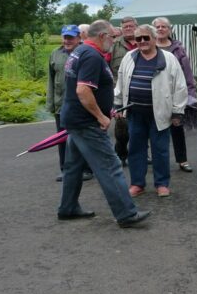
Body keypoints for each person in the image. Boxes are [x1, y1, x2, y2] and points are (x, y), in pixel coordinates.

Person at [57, 20, 150, 228]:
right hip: (86, 122)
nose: (113, 40)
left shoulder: (79, 52)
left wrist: (105, 108)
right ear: (101, 36)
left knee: (73, 166)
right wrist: (101, 116)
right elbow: (83, 90)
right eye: (112, 37)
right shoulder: (91, 56)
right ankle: (126, 214)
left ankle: (68, 208)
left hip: (75, 119)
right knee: (110, 165)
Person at [115, 24, 188, 198]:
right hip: (135, 113)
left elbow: (180, 86)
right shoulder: (129, 57)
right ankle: (137, 183)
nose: (142, 41)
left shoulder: (169, 59)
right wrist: (118, 105)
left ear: (154, 39)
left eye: (146, 38)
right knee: (135, 149)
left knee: (160, 150)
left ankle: (162, 184)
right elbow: (121, 82)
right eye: (138, 38)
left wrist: (178, 111)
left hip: (160, 113)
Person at [47, 24, 93, 182]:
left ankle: (86, 169)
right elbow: (51, 80)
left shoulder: (85, 53)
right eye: (65, 37)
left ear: (79, 38)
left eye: (71, 37)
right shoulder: (55, 54)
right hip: (61, 104)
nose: (67, 40)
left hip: (81, 105)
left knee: (82, 138)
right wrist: (51, 104)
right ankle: (65, 170)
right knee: (62, 139)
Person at [152, 16, 197, 173]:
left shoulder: (178, 49)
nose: (160, 29)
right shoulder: (148, 47)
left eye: (163, 26)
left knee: (177, 127)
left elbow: (187, 73)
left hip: (174, 95)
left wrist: (191, 93)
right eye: (157, 26)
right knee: (155, 130)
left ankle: (182, 160)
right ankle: (158, 160)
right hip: (153, 96)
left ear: (169, 30)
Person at [110, 16, 138, 166]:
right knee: (122, 129)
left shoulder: (144, 43)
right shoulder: (114, 46)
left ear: (136, 27)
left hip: (140, 92)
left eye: (130, 26)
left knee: (141, 126)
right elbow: (105, 68)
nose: (128, 28)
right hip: (119, 93)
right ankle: (121, 154)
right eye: (125, 26)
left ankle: (141, 154)